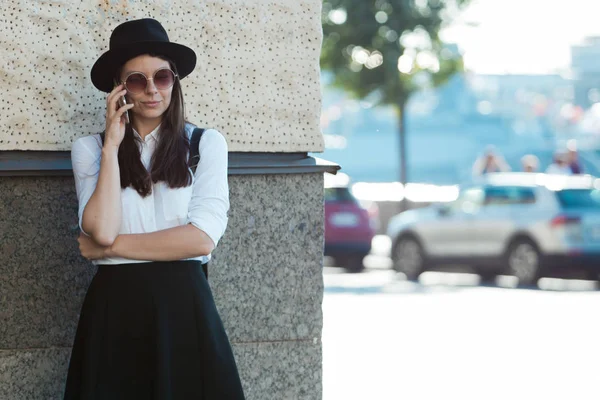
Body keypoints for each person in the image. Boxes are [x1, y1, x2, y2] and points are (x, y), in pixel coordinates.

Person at [65, 19, 246, 399]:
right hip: (114, 310)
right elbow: (100, 228)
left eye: (162, 77)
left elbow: (200, 239)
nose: (151, 89)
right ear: (119, 88)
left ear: (174, 82)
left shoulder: (205, 144)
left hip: (184, 307)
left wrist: (109, 250)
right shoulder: (90, 150)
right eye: (136, 80)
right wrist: (111, 147)